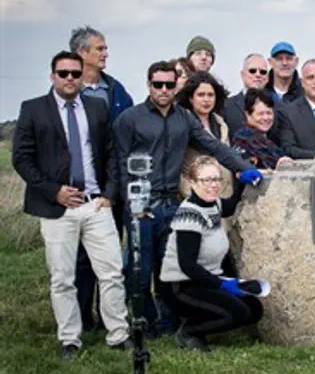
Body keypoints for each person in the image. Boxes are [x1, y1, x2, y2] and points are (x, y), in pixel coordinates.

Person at [114, 60, 262, 337]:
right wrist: (131, 203)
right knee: (138, 271)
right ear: (148, 84)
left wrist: (244, 168)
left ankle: (169, 324)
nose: (163, 89)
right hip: (140, 207)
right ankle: (144, 324)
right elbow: (120, 163)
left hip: (171, 204)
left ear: (175, 86)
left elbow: (214, 146)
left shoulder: (184, 118)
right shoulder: (130, 119)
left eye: (169, 84)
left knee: (168, 272)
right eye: (158, 84)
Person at [12, 51, 132, 359]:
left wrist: (110, 194)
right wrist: (54, 192)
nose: (69, 78)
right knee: (62, 278)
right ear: (52, 75)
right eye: (63, 73)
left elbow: (111, 153)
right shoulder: (33, 109)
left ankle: (118, 334)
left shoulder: (97, 107)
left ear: (82, 76)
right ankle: (70, 339)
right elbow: (21, 158)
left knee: (112, 273)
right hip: (57, 209)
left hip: (96, 205)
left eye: (75, 74)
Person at [161, 156, 263, 352]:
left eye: (216, 179)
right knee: (238, 313)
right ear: (192, 183)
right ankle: (189, 331)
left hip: (206, 281)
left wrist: (241, 183)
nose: (213, 185)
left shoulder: (213, 203)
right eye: (206, 180)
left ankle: (202, 320)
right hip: (181, 286)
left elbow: (229, 206)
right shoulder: (190, 214)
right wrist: (222, 285)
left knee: (254, 309)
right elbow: (188, 266)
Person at [69, 25, 134, 332]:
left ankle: (110, 316)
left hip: (112, 186)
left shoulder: (115, 90)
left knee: (109, 256)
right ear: (82, 53)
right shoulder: (69, 89)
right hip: (79, 187)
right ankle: (83, 318)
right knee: (81, 258)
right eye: (100, 48)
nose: (105, 53)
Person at [175, 71, 234, 200]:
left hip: (224, 197)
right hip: (194, 198)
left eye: (210, 95)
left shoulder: (221, 124)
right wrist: (191, 194)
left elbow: (228, 158)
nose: (206, 100)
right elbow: (175, 167)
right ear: (191, 98)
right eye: (201, 95)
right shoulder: (182, 123)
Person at [232, 88, 292, 172]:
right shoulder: (242, 139)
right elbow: (245, 169)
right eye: (260, 114)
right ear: (248, 115)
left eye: (269, 113)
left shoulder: (274, 137)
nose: (266, 118)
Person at [224, 53, 270, 139]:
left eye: (263, 72)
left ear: (267, 77)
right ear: (242, 75)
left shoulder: (277, 106)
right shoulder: (226, 105)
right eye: (252, 71)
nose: (258, 74)